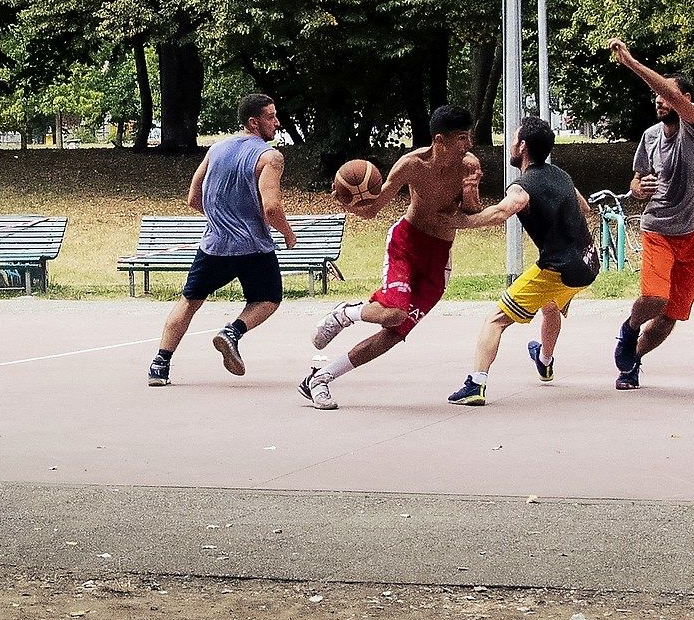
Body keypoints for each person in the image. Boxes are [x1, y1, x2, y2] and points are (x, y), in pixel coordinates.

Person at [301, 104, 485, 408]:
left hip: (438, 258)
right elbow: (373, 209)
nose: (468, 145)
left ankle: (320, 378)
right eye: (462, 139)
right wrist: (350, 205)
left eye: (469, 138)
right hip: (406, 244)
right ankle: (346, 312)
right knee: (394, 313)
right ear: (440, 141)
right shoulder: (411, 165)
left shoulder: (468, 165)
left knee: (394, 334)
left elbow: (471, 212)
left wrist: (469, 192)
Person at [441, 116, 597, 404]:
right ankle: (545, 360)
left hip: (558, 269)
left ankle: (476, 384)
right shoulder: (562, 175)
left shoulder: (521, 187)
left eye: (513, 139)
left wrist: (458, 221)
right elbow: (584, 207)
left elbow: (501, 213)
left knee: (495, 319)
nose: (510, 144)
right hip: (588, 264)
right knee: (550, 307)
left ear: (522, 146)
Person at [146, 93, 297, 386]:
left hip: (214, 246)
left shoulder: (216, 149)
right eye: (270, 117)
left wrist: (220, 219)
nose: (277, 122)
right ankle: (232, 332)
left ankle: (159, 365)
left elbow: (193, 198)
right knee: (267, 299)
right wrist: (289, 235)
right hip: (253, 247)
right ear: (254, 123)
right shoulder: (270, 157)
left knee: (189, 302)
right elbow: (271, 207)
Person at [608, 38, 694, 390]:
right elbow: (637, 179)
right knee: (655, 298)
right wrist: (638, 188)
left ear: (684, 101)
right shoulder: (650, 137)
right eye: (656, 96)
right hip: (659, 228)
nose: (659, 99)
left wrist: (631, 63)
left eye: (666, 94)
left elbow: (669, 93)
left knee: (671, 316)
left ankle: (632, 363)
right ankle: (628, 330)